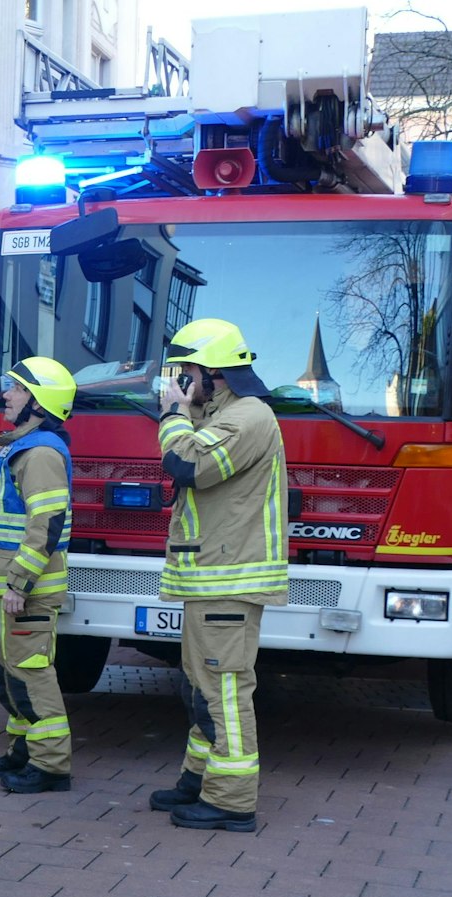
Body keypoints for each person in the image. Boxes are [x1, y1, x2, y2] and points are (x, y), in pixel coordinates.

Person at [145, 318, 287, 832]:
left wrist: (172, 414)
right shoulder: (220, 415)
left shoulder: (248, 417)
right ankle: (198, 781)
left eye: (185, 371)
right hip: (210, 580)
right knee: (200, 688)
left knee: (224, 690)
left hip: (229, 580)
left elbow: (187, 467)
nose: (178, 380)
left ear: (212, 372)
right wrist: (183, 412)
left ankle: (230, 801)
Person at [0, 357, 78, 794]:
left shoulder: (42, 453)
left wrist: (19, 584)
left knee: (31, 673)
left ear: (38, 401)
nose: (6, 395)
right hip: (1, 582)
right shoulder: (18, 447)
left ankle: (51, 766)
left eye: (15, 389)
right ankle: (23, 750)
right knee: (8, 672)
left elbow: (45, 524)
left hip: (24, 587)